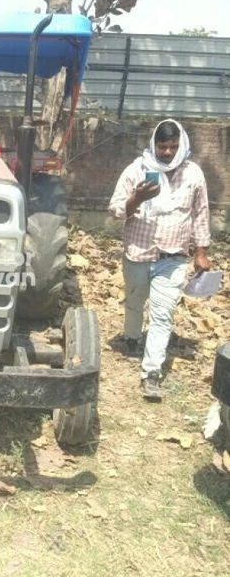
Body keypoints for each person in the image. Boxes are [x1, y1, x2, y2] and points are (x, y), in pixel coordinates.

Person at [108, 119, 211, 401]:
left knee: (162, 315)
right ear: (154, 144)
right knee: (134, 301)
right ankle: (131, 337)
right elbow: (116, 210)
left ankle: (151, 373)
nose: (167, 152)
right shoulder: (137, 170)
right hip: (138, 253)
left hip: (173, 257)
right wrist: (137, 199)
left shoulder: (193, 175)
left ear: (182, 145)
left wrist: (201, 253)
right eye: (162, 146)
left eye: (173, 147)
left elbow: (200, 215)